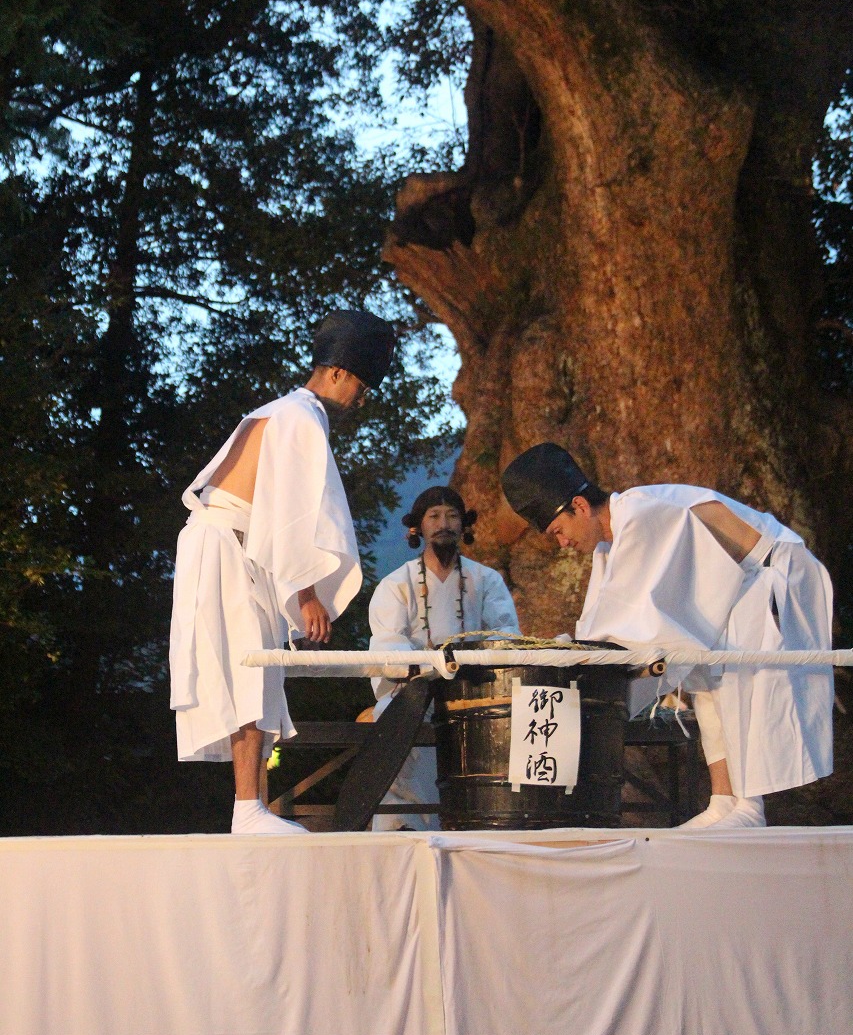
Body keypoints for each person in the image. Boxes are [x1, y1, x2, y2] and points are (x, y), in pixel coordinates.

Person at [501, 443, 834, 830]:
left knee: (728, 667)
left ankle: (747, 805)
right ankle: (724, 800)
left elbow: (638, 621)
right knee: (699, 669)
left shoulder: (643, 514)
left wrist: (585, 656)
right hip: (739, 583)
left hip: (770, 574)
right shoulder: (613, 542)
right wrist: (574, 651)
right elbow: (606, 623)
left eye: (559, 531)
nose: (562, 543)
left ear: (578, 506)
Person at [169, 308, 396, 835]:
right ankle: (248, 809)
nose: (364, 398)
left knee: (261, 670)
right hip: (227, 545)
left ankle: (253, 808)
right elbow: (292, 512)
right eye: (362, 384)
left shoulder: (285, 411)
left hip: (232, 546)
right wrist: (305, 593)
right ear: (336, 371)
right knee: (251, 669)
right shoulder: (299, 417)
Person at [368, 485, 519, 829]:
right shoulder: (397, 584)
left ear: (464, 524)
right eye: (433, 516)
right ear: (417, 528)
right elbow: (388, 644)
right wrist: (430, 667)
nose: (444, 523)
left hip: (478, 692)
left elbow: (505, 637)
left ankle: (492, 820)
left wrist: (469, 664)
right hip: (415, 692)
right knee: (391, 719)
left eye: (452, 516)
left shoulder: (486, 580)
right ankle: (403, 823)